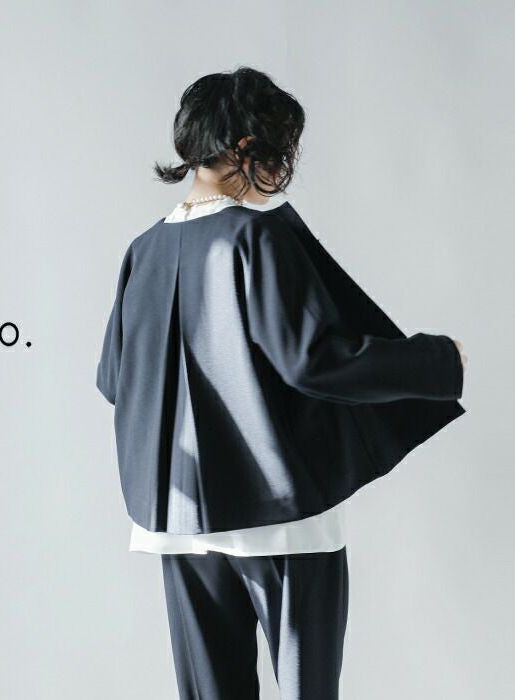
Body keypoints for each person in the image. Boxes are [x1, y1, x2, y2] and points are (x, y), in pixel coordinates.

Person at [96, 66, 467, 700]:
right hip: (276, 513)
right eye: (280, 149)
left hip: (176, 519)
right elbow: (313, 361)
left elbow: (114, 379)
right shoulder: (255, 236)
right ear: (247, 147)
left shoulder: (144, 250)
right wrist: (439, 360)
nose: (282, 166)